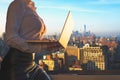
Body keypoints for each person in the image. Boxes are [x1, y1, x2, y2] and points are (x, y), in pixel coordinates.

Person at [0, 0, 62, 80]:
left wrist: (47, 44)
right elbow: (11, 38)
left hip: (30, 63)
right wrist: (40, 47)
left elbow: (29, 37)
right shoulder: (17, 4)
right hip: (17, 65)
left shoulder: (31, 6)